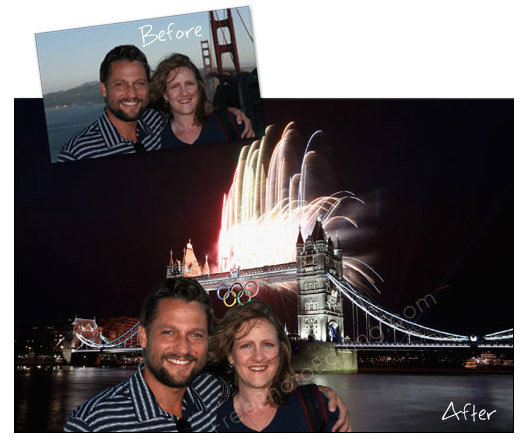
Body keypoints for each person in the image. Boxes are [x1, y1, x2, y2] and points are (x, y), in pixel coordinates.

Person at [63, 277, 350, 432]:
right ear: (143, 336)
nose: (184, 348)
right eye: (168, 332)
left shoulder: (211, 393)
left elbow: (258, 383)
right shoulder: (93, 424)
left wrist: (319, 396)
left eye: (196, 334)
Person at [56, 46, 253, 162]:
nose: (132, 94)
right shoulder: (76, 153)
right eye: (120, 84)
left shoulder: (154, 123)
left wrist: (231, 114)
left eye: (139, 84)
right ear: (104, 89)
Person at [208, 300, 340, 432]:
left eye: (268, 344)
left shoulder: (318, 409)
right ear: (230, 356)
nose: (258, 357)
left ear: (281, 351)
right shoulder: (208, 422)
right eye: (246, 345)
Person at [150, 53, 249, 148]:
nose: (184, 93)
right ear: (165, 95)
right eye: (175, 86)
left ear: (199, 87)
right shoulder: (156, 142)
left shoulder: (231, 122)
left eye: (189, 84)